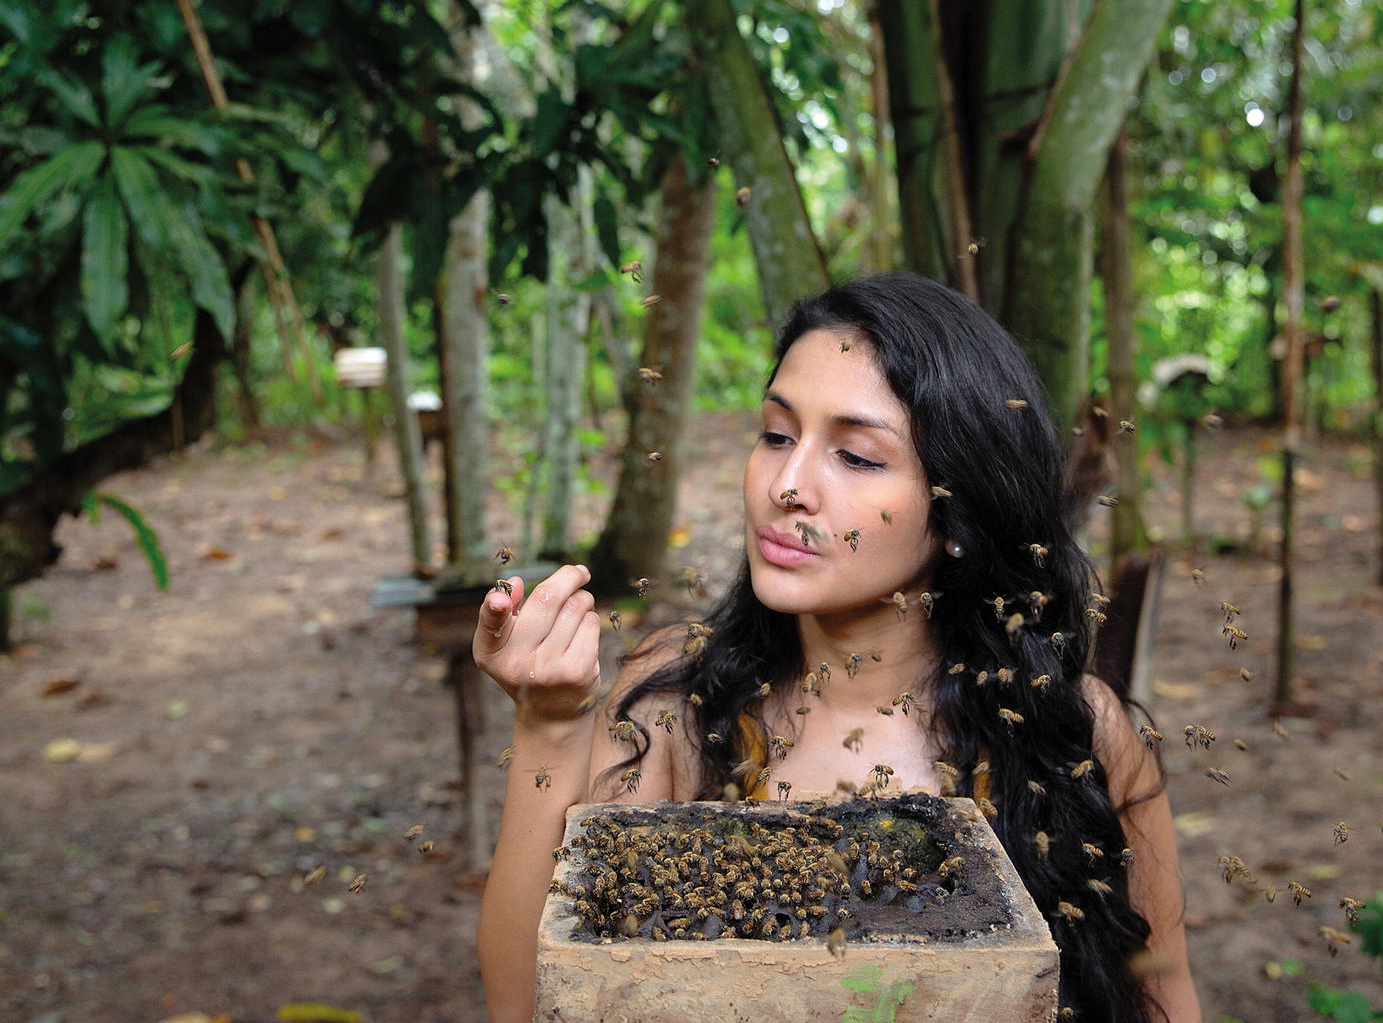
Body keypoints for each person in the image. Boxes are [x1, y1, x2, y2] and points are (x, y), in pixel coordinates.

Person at [472, 272, 1202, 1021]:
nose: (787, 484)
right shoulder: (676, 704)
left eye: (855, 456)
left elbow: (1160, 990)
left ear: (959, 509)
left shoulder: (1078, 730)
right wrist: (550, 725)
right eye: (777, 435)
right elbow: (527, 1003)